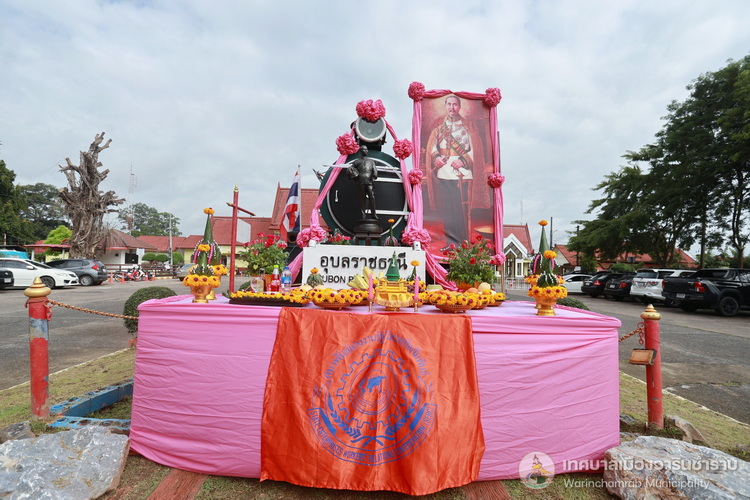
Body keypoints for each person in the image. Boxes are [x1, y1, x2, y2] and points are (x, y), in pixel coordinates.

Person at [425, 95, 489, 246]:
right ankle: (450, 243)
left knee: (461, 210)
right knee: (447, 210)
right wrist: (436, 158)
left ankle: (462, 242)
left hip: (462, 172)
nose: (452, 107)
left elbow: (476, 149)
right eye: (449, 104)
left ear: (459, 107)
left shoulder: (468, 126)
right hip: (443, 171)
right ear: (445, 106)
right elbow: (432, 147)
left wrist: (462, 161)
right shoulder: (439, 125)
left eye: (455, 104)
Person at [347, 145, 378, 219]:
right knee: (362, 198)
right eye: (364, 149)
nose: (366, 151)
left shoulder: (371, 161)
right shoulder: (357, 161)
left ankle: (374, 214)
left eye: (366, 149)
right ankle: (363, 215)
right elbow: (350, 169)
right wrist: (354, 175)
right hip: (361, 181)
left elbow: (374, 170)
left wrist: (374, 176)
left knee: (372, 197)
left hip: (369, 182)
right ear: (361, 151)